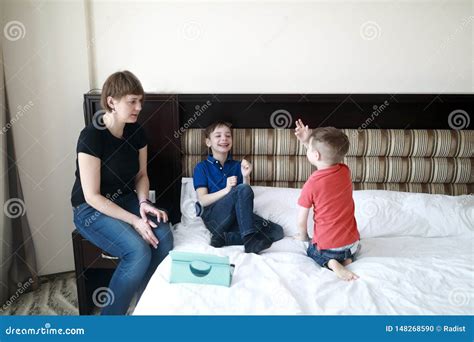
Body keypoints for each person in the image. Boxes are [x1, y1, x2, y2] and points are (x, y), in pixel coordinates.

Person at [71, 71, 173, 314]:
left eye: (140, 101)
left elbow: (141, 176)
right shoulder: (92, 136)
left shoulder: (136, 132)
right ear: (111, 102)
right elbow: (92, 196)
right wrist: (135, 221)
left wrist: (143, 203)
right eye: (132, 101)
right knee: (137, 251)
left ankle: (144, 307)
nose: (139, 107)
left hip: (127, 200)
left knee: (164, 236)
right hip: (90, 210)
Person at [193, 121, 284, 254]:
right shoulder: (201, 167)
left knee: (276, 231)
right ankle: (249, 241)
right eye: (218, 136)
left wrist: (246, 176)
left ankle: (226, 239)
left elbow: (244, 197)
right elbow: (202, 200)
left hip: (237, 218)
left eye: (228, 136)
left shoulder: (238, 166)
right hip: (215, 218)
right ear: (208, 142)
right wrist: (226, 190)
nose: (224, 139)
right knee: (241, 189)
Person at [294, 119, 360, 281]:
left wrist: (303, 237)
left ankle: (331, 263)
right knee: (350, 249)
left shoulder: (312, 184)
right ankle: (347, 260)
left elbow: (301, 220)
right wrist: (307, 142)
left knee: (312, 250)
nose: (307, 149)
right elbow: (325, 157)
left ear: (315, 154)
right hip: (352, 244)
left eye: (309, 148)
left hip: (328, 248)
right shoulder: (345, 171)